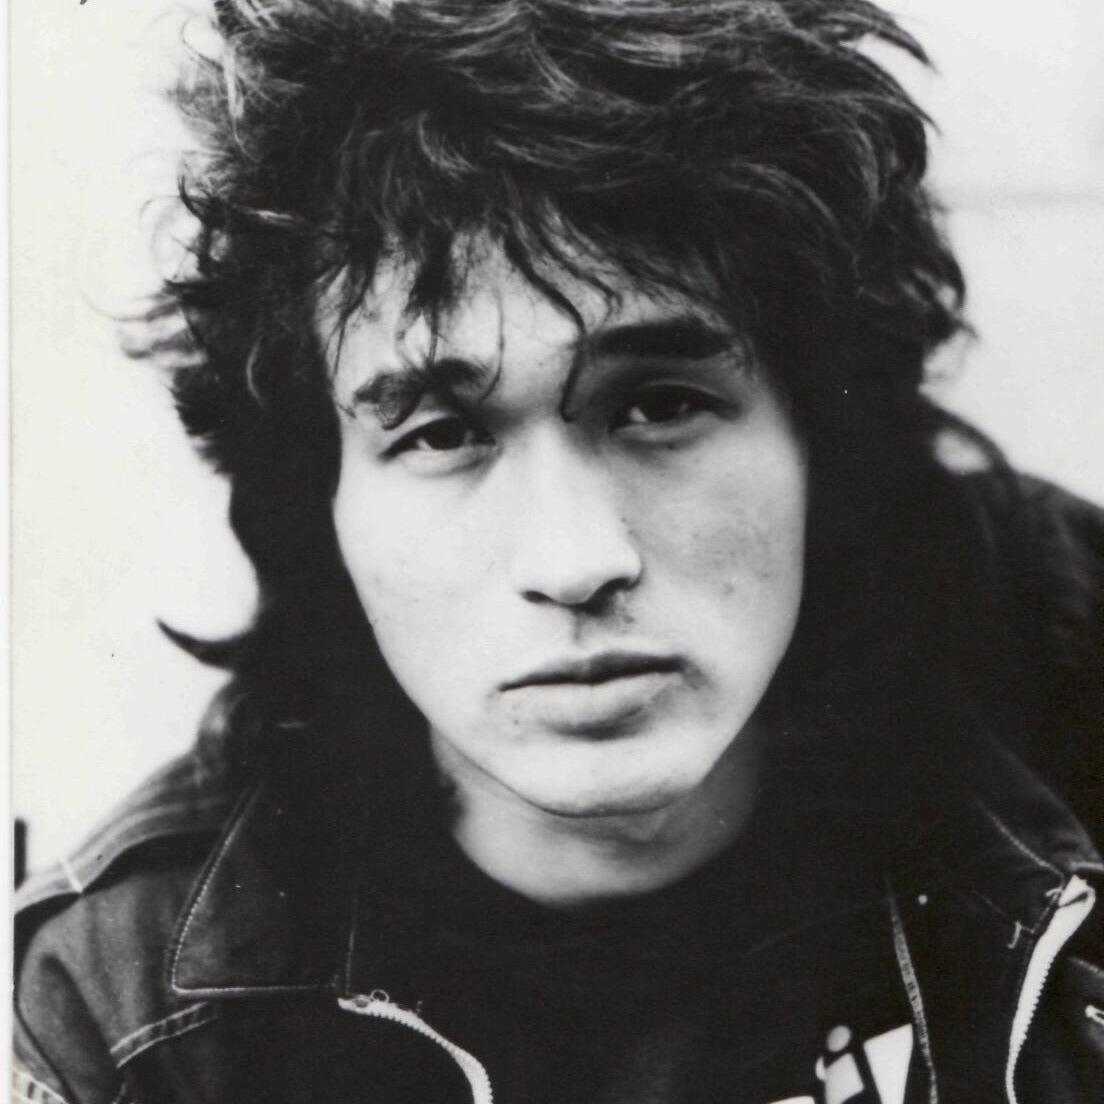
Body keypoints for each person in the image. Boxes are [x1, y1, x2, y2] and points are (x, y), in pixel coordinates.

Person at [13, 1, 1104, 1101]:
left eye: (659, 405)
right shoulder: (125, 1020)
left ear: (824, 441)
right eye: (442, 434)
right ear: (320, 507)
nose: (576, 560)